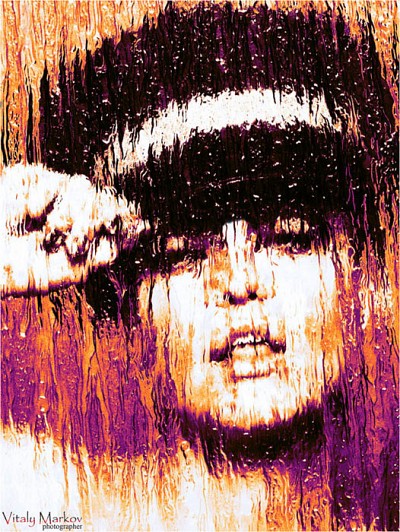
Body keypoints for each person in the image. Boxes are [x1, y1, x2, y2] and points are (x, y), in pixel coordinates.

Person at [1, 3, 398, 531]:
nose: (240, 282)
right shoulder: (40, 502)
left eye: (292, 238)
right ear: (126, 314)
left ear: (366, 280)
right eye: (180, 254)